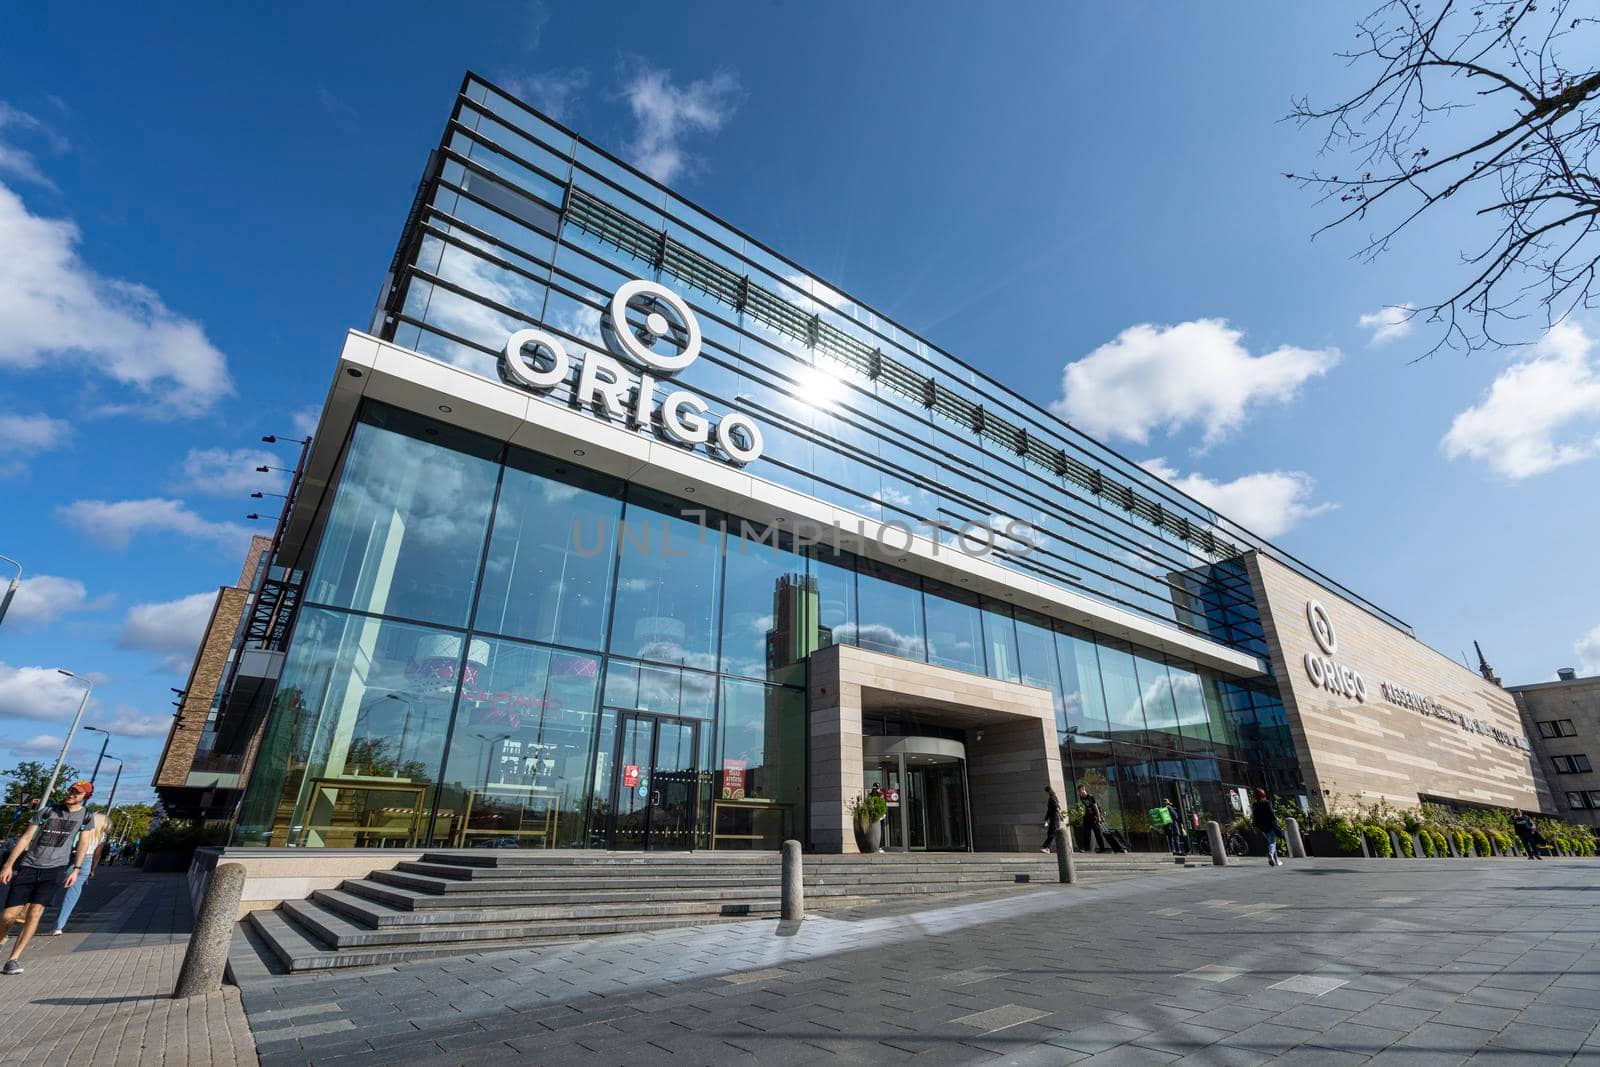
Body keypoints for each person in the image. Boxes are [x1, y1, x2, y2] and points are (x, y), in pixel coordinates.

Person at [0, 781, 95, 975]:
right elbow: (26, 838)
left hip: (55, 870)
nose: (71, 794)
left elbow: (84, 844)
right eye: (71, 790)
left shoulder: (86, 816)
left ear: (85, 796)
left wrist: (76, 870)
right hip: (29, 866)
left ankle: (14, 959)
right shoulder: (47, 811)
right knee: (8, 916)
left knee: (34, 914)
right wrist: (8, 865)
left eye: (76, 793)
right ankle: (2, 937)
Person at [48, 809, 106, 935]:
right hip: (87, 861)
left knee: (53, 883)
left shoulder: (82, 828)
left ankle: (44, 904)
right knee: (72, 894)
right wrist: (92, 869)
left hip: (70, 857)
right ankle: (58, 926)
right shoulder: (102, 835)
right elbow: (98, 854)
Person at [1252, 788, 1283, 867]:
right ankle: (1270, 854)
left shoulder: (1255, 805)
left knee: (1271, 842)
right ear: (1263, 795)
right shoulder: (1267, 803)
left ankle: (1276, 860)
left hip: (1262, 827)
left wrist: (1256, 826)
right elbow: (1271, 813)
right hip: (1270, 825)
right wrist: (1276, 819)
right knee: (1272, 842)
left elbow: (1255, 817)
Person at [1040, 787, 1063, 853]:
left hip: (1055, 818)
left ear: (1047, 792)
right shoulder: (1052, 798)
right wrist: (1046, 819)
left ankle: (1046, 847)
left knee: (1052, 833)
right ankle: (1048, 847)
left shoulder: (1052, 798)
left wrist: (1061, 816)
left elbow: (1057, 808)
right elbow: (1049, 810)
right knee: (1050, 833)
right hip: (1052, 818)